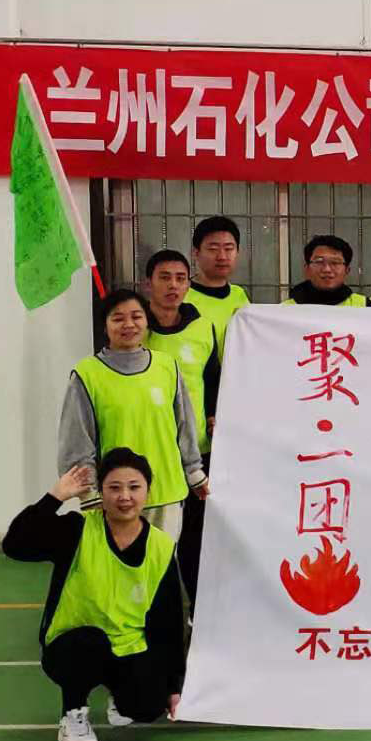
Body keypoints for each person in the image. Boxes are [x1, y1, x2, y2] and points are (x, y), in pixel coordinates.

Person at [2, 448, 186, 741]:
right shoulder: (77, 529)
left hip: (126, 646)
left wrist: (173, 686)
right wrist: (55, 497)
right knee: (90, 644)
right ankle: (72, 712)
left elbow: (169, 622)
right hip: (72, 644)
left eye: (134, 487)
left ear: (148, 491)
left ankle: (118, 689)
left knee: (148, 705)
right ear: (101, 492)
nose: (124, 496)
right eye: (114, 487)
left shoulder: (161, 547)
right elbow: (15, 545)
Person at [58, 289, 208, 541]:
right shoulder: (87, 374)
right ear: (105, 326)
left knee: (162, 563)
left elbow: (185, 425)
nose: (129, 324)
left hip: (167, 493)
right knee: (120, 564)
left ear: (147, 321)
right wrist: (89, 494)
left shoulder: (167, 366)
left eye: (136, 316)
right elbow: (76, 440)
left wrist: (194, 472)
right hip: (116, 498)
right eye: (118, 318)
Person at [144, 250, 220, 603]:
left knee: (195, 539)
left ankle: (197, 611)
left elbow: (213, 379)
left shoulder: (202, 328)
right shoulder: (136, 329)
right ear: (148, 284)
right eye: (164, 277)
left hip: (195, 453)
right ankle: (147, 609)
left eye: (180, 278)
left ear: (189, 284)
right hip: (146, 452)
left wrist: (214, 414)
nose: (173, 285)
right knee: (150, 540)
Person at [185, 216, 249, 359]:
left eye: (229, 249)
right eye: (213, 249)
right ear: (196, 253)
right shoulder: (181, 297)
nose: (222, 256)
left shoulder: (240, 295)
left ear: (237, 252)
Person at [283, 235, 367, 307]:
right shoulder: (285, 310)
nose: (327, 269)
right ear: (307, 269)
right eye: (319, 262)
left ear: (347, 270)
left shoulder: (365, 307)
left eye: (335, 262)